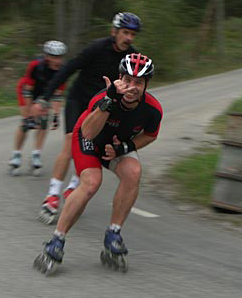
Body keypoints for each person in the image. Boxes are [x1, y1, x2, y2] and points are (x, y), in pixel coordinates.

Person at [33, 53, 162, 275]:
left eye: (138, 83)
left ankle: (113, 233)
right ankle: (57, 239)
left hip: (115, 146)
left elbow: (150, 135)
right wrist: (109, 100)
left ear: (146, 85)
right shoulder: (104, 96)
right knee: (92, 183)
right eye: (127, 80)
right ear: (119, 77)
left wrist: (124, 148)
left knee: (134, 171)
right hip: (88, 140)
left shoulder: (153, 109)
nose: (131, 87)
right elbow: (88, 132)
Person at [32, 12, 141, 223]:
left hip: (102, 107)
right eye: (125, 32)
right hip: (78, 100)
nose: (128, 38)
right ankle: (52, 195)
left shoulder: (131, 57)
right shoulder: (97, 48)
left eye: (133, 34)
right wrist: (44, 97)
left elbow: (138, 85)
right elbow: (68, 69)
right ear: (114, 32)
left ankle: (73, 188)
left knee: (95, 146)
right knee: (70, 142)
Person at [8, 40, 67, 176]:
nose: (58, 61)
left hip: (43, 94)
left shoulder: (63, 71)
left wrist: (56, 116)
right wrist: (29, 112)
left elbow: (58, 95)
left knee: (44, 121)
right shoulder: (36, 66)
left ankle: (36, 154)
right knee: (26, 123)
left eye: (60, 57)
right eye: (54, 57)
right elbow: (27, 90)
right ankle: (16, 154)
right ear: (47, 57)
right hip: (27, 90)